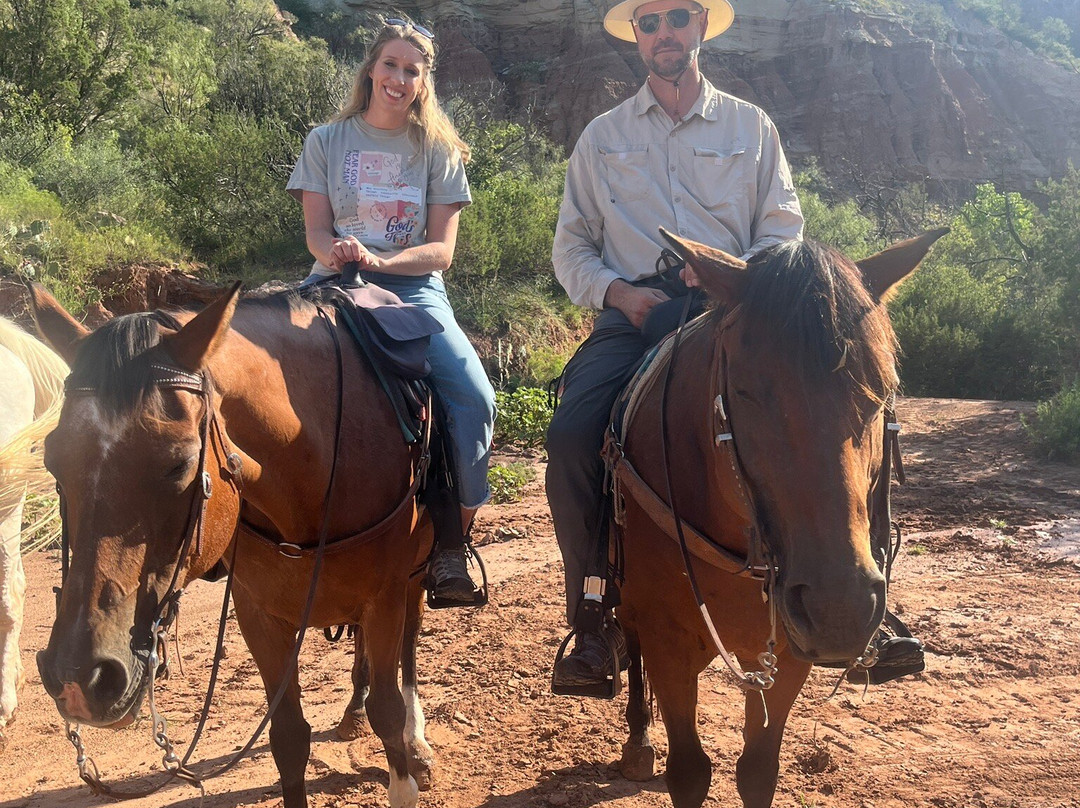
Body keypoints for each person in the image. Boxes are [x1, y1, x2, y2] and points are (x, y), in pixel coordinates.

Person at [548, 0, 922, 691]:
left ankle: (872, 597)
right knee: (573, 434)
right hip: (637, 314)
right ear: (637, 37)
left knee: (845, 414)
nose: (665, 33)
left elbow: (782, 227)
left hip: (745, 309)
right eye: (650, 21)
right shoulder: (601, 138)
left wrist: (742, 275)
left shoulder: (753, 127)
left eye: (678, 18)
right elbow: (571, 249)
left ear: (700, 30)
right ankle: (595, 612)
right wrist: (621, 296)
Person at [287, 17, 495, 606]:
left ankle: (453, 539)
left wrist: (380, 261)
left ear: (424, 82)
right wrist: (342, 255)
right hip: (334, 283)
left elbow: (442, 251)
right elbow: (317, 232)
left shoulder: (438, 150)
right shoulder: (326, 140)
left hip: (414, 292)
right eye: (390, 65)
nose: (398, 79)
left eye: (412, 70)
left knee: (473, 395)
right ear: (371, 69)